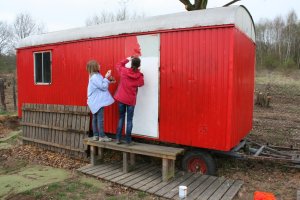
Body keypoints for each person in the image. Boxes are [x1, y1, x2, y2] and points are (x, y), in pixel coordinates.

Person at [114, 56, 144, 145]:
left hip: (121, 98)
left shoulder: (124, 71)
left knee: (121, 118)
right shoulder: (139, 76)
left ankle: (118, 139)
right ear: (139, 65)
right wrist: (139, 73)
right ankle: (128, 141)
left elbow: (118, 64)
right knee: (129, 120)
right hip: (131, 101)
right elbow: (141, 84)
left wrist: (128, 58)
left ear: (131, 64)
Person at [86, 60, 115, 142]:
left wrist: (108, 81)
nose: (99, 65)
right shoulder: (95, 77)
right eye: (98, 64)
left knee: (95, 118)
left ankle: (95, 136)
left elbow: (100, 84)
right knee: (100, 119)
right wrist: (106, 77)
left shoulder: (94, 75)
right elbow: (103, 87)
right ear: (95, 67)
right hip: (97, 101)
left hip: (95, 100)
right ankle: (101, 136)